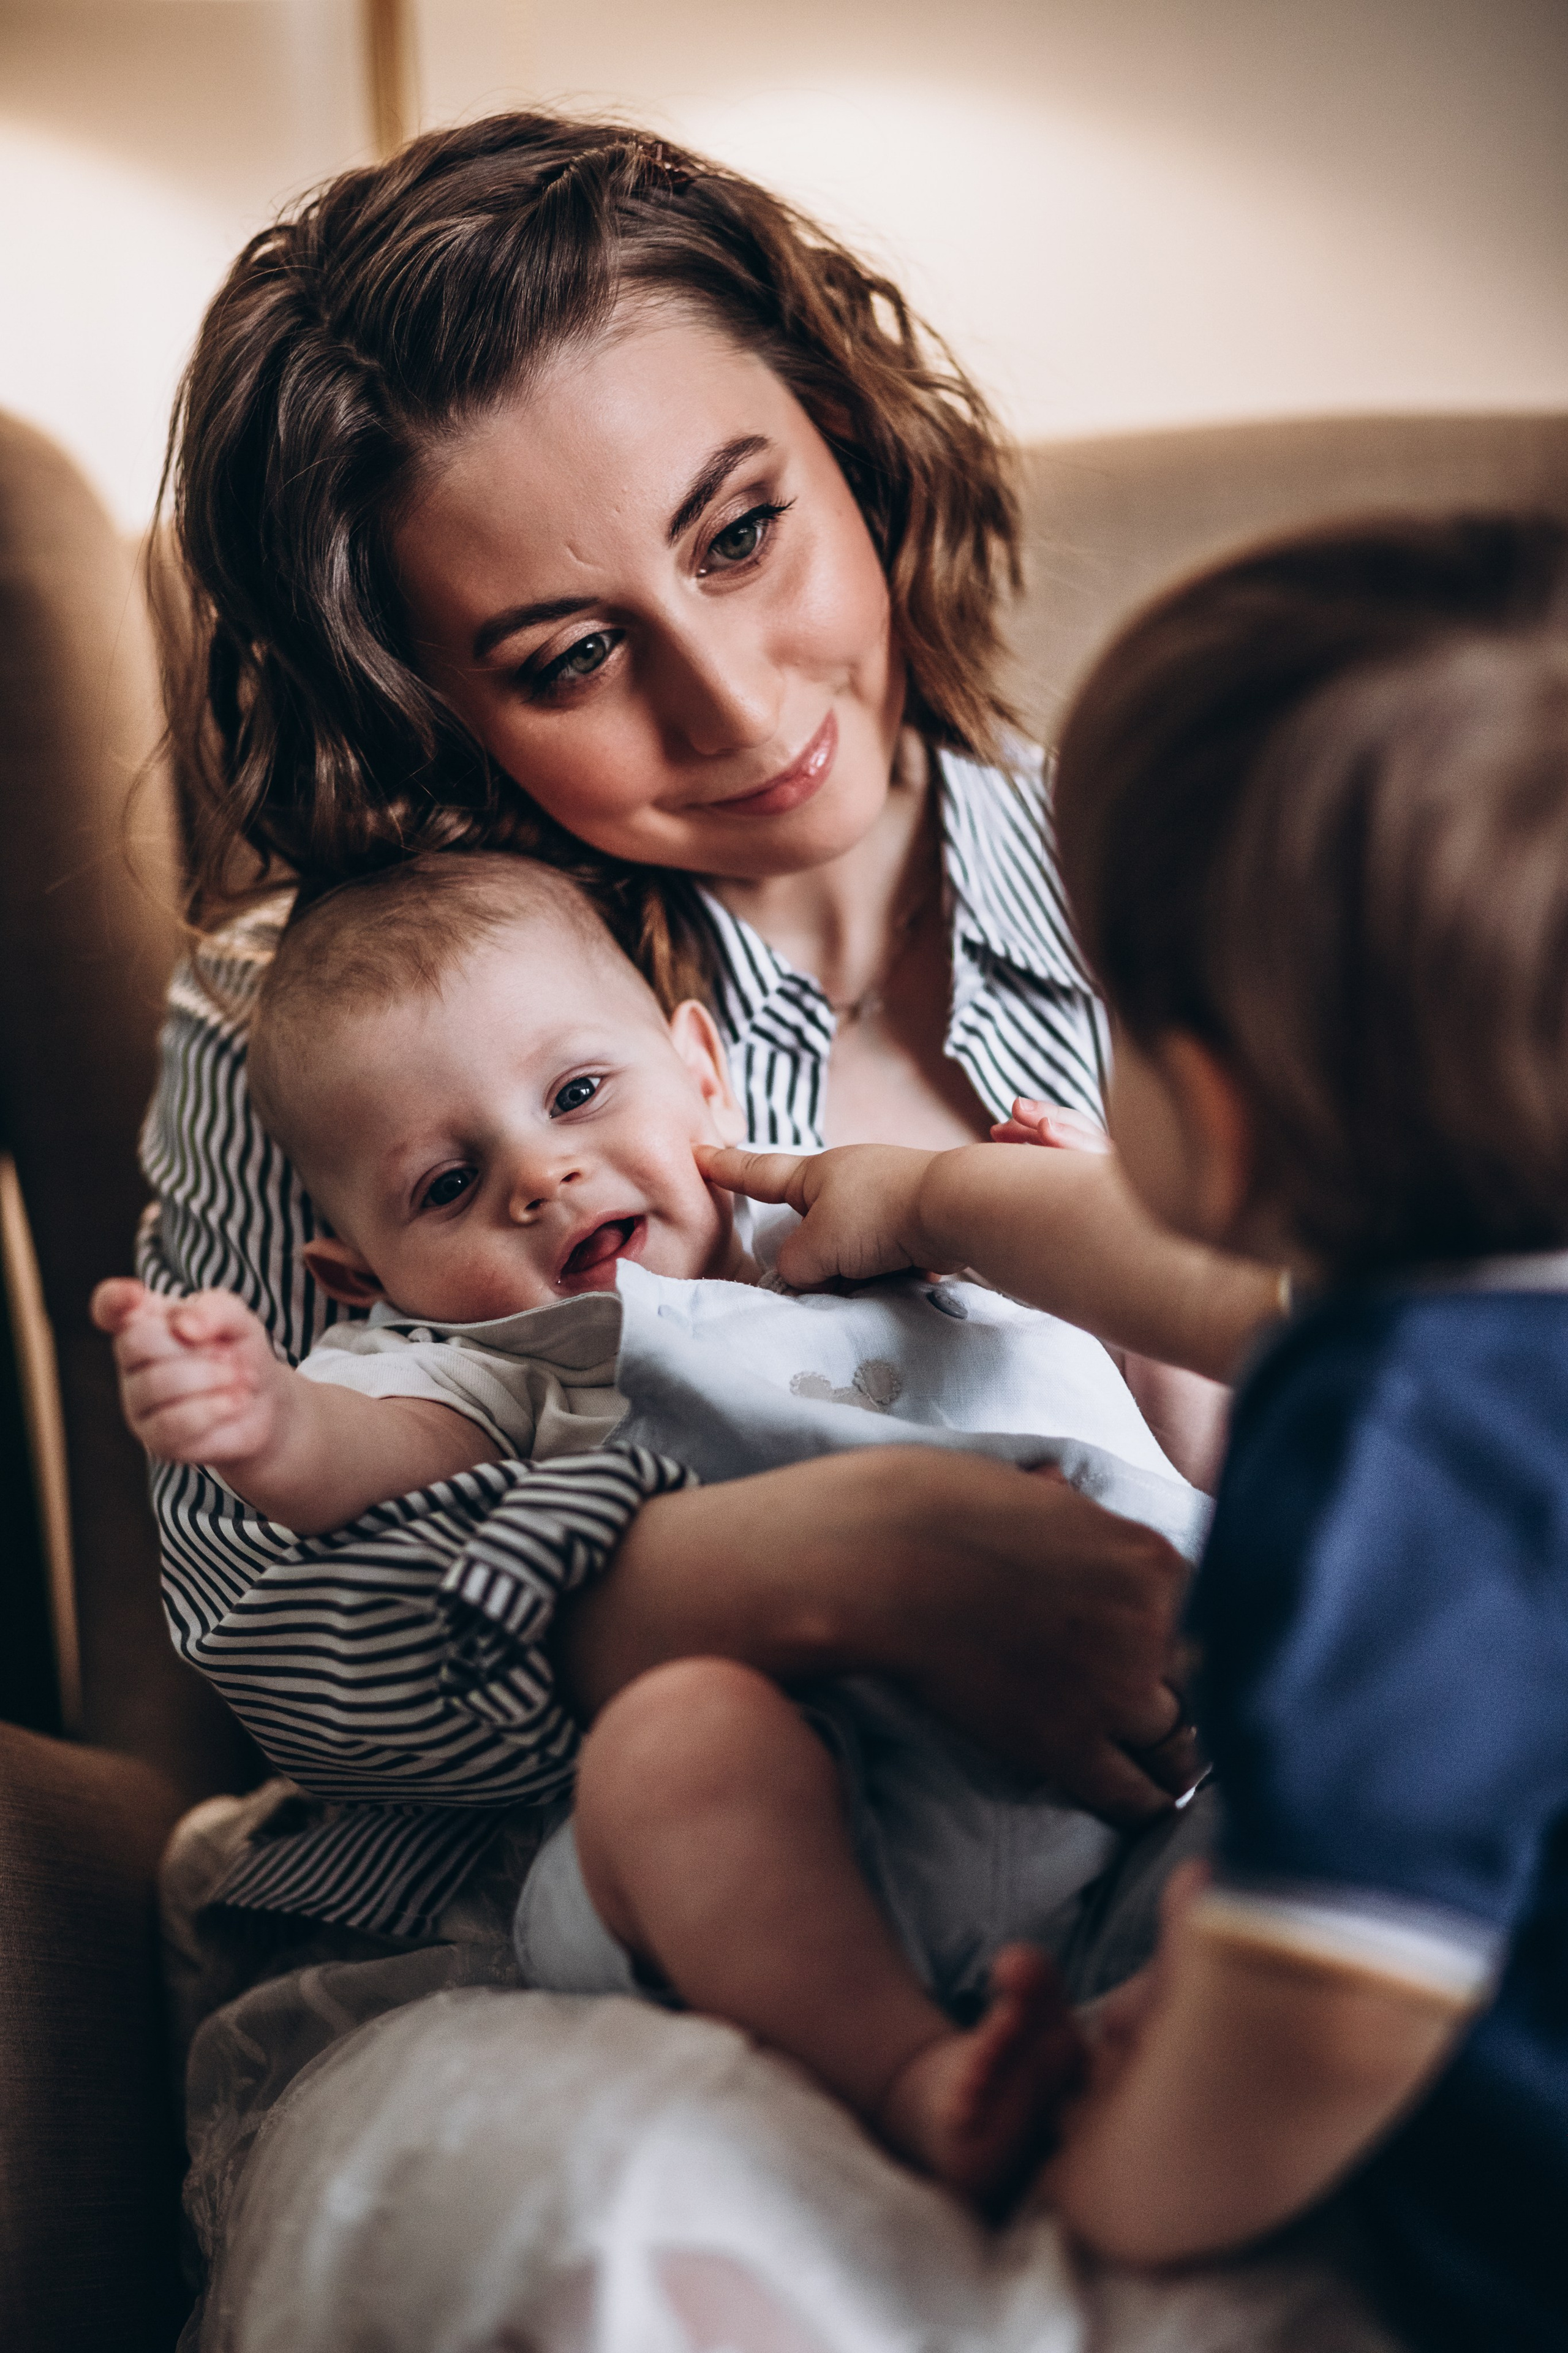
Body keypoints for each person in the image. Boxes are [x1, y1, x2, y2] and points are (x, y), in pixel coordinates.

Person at [141, 109, 1280, 1954]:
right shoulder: (318, 1019)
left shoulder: (1220, 890)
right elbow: (278, 1632)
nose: (736, 704)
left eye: (741, 532)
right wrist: (801, 1573)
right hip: (631, 1965)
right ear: (430, 703)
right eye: (567, 656)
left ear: (851, 434)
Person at [708, 513, 1568, 2349]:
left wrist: (1118, 2184)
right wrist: (933, 1197)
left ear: (1213, 1117)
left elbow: (1335, 1998)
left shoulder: (1394, 1444)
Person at [98, 848, 1203, 2209]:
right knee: (672, 1748)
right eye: (445, 1187)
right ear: (363, 1282)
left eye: (574, 1093)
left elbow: (1203, 1397)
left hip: (1157, 1772)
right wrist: (265, 1419)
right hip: (831, 1841)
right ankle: (912, 2079)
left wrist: (1080, 1216)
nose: (539, 1173)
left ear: (698, 1067)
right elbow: (363, 1461)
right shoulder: (499, 1356)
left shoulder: (883, 1219)